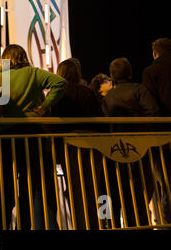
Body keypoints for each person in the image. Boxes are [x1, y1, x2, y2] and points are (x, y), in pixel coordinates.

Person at [0, 44, 67, 230]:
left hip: (7, 134)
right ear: (23, 56)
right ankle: (24, 226)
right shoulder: (34, 73)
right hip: (33, 132)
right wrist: (44, 106)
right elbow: (60, 83)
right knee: (29, 185)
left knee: (5, 186)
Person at [102, 57, 160, 228]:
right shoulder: (138, 89)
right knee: (142, 186)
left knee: (122, 187)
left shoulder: (107, 97)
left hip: (116, 147)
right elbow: (154, 113)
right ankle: (141, 221)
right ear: (129, 72)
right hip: (141, 144)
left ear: (112, 75)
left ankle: (126, 221)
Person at [52, 59, 104, 229]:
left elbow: (54, 121)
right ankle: (96, 224)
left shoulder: (60, 93)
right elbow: (99, 117)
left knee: (75, 189)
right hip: (93, 144)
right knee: (93, 187)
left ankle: (81, 224)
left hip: (70, 146)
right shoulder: (87, 92)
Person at [142, 38, 171, 224]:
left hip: (164, 136)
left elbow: (151, 106)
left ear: (155, 53)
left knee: (169, 184)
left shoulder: (151, 72)